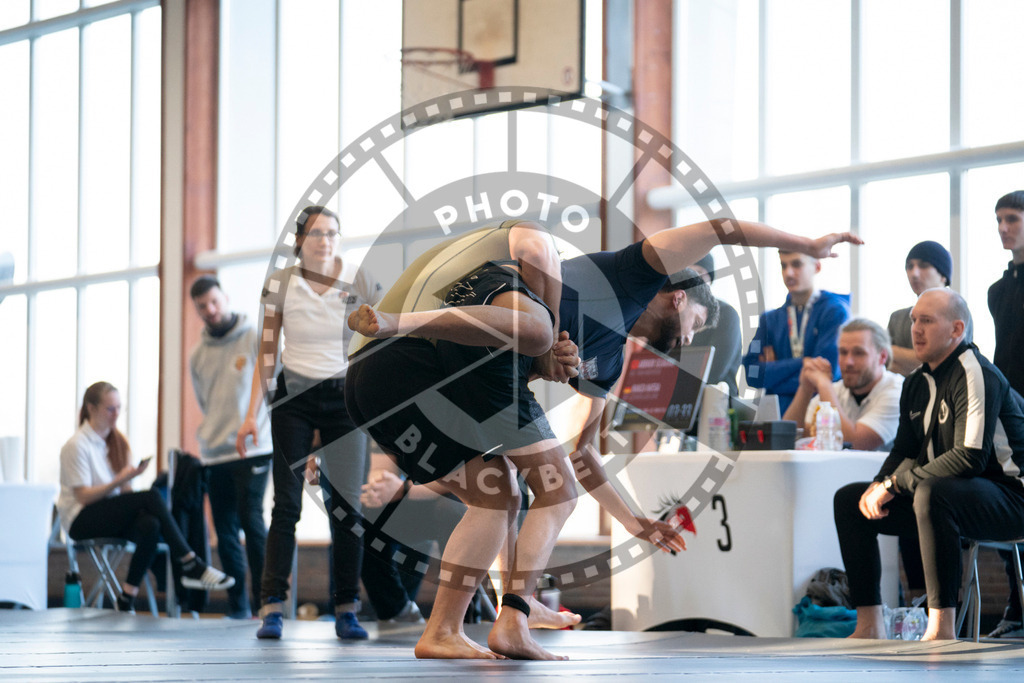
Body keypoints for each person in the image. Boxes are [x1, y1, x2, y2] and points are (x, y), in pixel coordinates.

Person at [347, 217, 862, 659]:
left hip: (404, 384)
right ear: (679, 296)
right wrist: (807, 245)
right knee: (551, 487)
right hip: (435, 359)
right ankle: (513, 619)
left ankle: (445, 630)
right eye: (695, 324)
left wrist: (636, 522)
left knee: (500, 492)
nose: (687, 340)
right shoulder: (634, 273)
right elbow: (718, 230)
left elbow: (584, 455)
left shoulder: (610, 364)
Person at [833, 289, 1024, 640]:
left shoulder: (975, 372)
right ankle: (869, 625)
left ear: (956, 329)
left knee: (933, 492)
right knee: (850, 501)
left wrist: (894, 486)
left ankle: (942, 630)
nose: (915, 329)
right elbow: (905, 450)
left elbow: (969, 456)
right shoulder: (916, 383)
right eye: (913, 320)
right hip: (954, 498)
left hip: (1012, 497)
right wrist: (879, 484)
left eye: (927, 320)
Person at [236, 205, 383, 641]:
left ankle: (346, 608)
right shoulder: (281, 283)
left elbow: (380, 338)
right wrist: (251, 416)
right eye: (316, 234)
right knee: (286, 506)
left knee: (348, 509)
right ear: (300, 240)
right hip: (293, 400)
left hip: (344, 399)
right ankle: (272, 606)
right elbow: (266, 352)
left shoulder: (357, 278)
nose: (325, 241)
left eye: (332, 233)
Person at [57, 381, 235, 613]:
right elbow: (83, 498)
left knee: (149, 524)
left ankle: (126, 597)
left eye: (120, 408)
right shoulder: (77, 445)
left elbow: (125, 498)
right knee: (150, 497)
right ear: (91, 409)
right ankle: (190, 562)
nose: (116, 414)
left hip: (107, 515)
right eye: (110, 409)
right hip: (81, 520)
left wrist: (128, 486)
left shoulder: (117, 445)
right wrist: (120, 481)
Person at [189, 275, 271, 619]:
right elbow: (204, 402)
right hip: (215, 453)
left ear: (224, 297)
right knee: (223, 531)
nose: (209, 310)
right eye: (202, 307)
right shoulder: (197, 355)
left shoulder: (254, 336)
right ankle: (237, 607)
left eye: (213, 301)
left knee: (252, 522)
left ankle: (266, 604)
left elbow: (271, 384)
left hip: (253, 448)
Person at [741, 251, 851, 414]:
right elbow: (752, 374)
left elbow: (827, 374)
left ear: (817, 267)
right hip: (777, 416)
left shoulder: (835, 312)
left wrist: (773, 372)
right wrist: (803, 362)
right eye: (783, 266)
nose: (788, 273)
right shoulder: (769, 319)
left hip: (822, 414)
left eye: (797, 264)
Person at [987, 189, 1024, 638]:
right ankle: (1017, 606)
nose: (1003, 227)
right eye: (998, 219)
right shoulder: (997, 290)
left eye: (1012, 219)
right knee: (1003, 501)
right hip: (1008, 411)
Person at [782, 318, 903, 452]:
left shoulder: (898, 391)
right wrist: (805, 389)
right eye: (843, 352)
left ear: (882, 357)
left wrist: (824, 384)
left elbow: (853, 443)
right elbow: (786, 437)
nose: (848, 362)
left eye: (859, 353)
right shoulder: (835, 390)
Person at [887, 241, 974, 376]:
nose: (914, 273)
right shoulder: (897, 318)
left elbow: (950, 363)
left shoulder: (957, 312)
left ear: (943, 276)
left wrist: (894, 352)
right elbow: (884, 364)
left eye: (924, 266)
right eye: (909, 266)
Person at [684, 253, 741, 395]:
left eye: (700, 274)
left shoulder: (726, 314)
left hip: (718, 402)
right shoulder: (677, 315)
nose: (695, 280)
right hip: (681, 400)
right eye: (690, 273)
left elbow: (715, 370)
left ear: (710, 280)